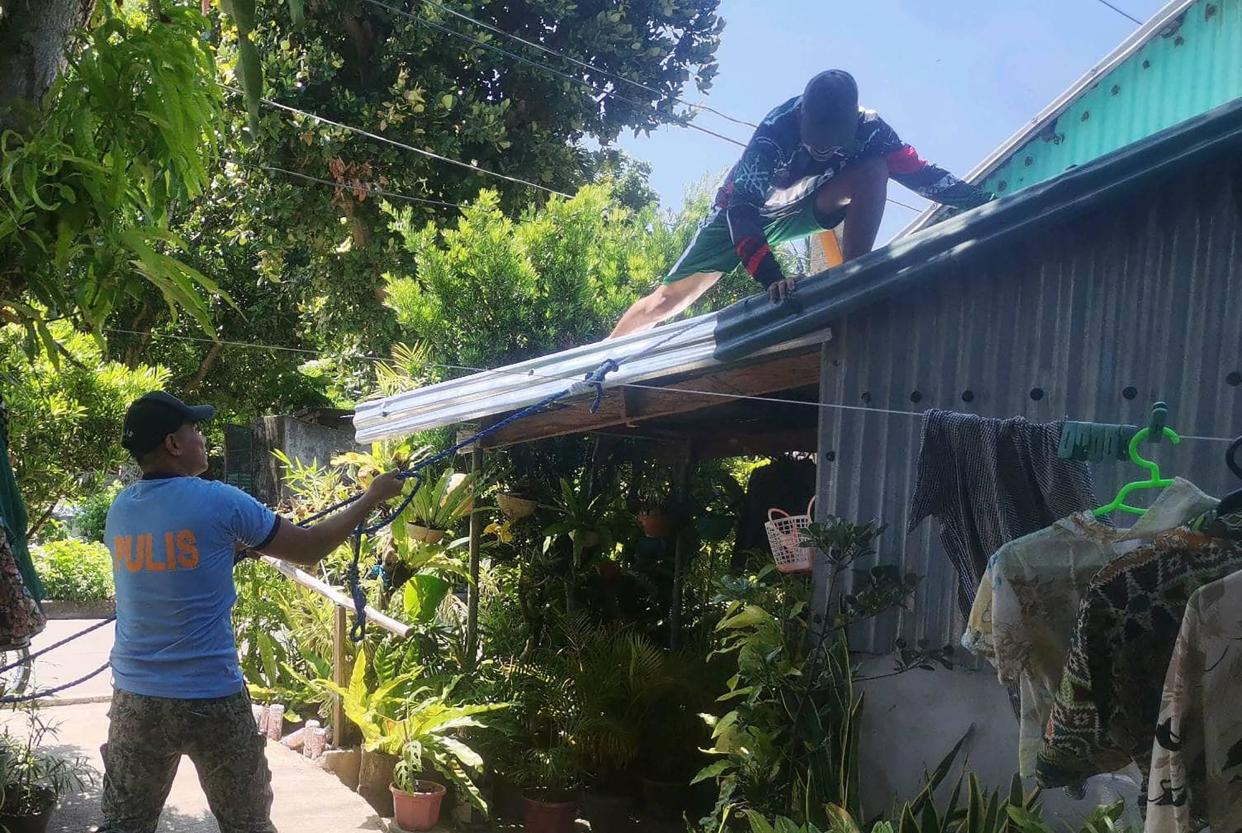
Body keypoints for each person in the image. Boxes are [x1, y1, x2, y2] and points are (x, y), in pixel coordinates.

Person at [97, 391, 404, 833]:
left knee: (123, 824)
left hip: (135, 698)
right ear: (173, 443)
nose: (203, 438)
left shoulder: (120, 509)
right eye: (195, 430)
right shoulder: (219, 500)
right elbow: (311, 547)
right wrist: (372, 497)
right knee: (247, 825)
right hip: (210, 696)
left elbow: (175, 561)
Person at [610, 69, 994, 338]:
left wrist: (987, 203)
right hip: (744, 216)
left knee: (875, 168)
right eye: (815, 138)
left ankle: (853, 273)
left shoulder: (872, 131)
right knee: (667, 300)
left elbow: (924, 176)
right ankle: (600, 357)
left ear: (853, 122)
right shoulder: (774, 133)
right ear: (801, 115)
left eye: (834, 141)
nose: (823, 147)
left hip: (806, 207)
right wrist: (772, 278)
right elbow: (742, 210)